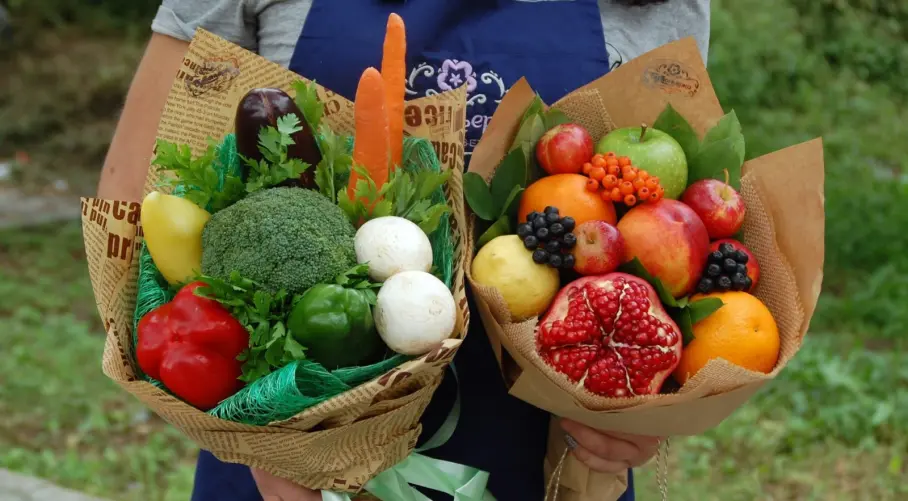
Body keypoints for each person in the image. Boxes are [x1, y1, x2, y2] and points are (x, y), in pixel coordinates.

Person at [99, 1, 710, 500]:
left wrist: (648, 415)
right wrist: (269, 438)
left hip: (557, 460)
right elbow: (135, 209)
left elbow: (675, 223)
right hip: (285, 461)